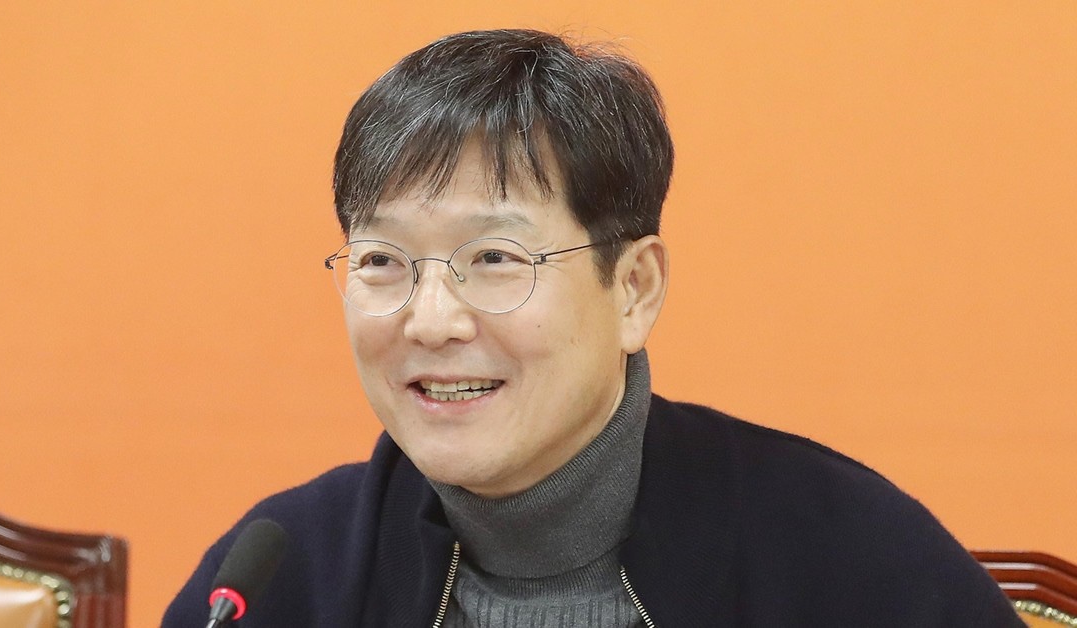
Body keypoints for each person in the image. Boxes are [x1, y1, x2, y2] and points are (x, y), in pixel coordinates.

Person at [163, 29, 1022, 627]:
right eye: (383, 261)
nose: (431, 320)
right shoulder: (282, 578)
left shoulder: (845, 557)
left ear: (634, 289)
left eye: (493, 258)